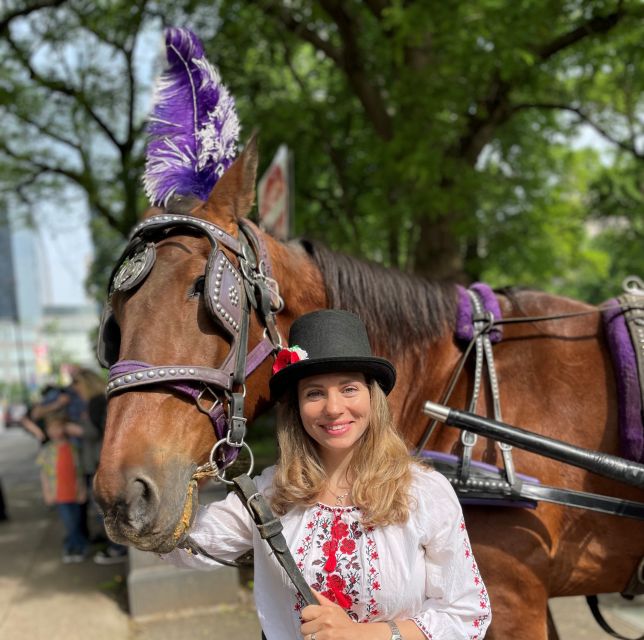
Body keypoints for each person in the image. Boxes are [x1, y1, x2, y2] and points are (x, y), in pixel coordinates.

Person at [162, 310, 491, 639]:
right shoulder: (271, 494)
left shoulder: (424, 492)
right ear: (298, 408)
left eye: (348, 389)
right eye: (315, 393)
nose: (333, 408)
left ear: (372, 397)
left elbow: (467, 614)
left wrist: (364, 635)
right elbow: (183, 547)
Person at [36, 410, 89, 563]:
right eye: (52, 428)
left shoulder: (74, 448)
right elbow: (44, 474)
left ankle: (75, 547)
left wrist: (83, 490)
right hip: (59, 494)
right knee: (69, 523)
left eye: (58, 427)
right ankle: (74, 547)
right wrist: (46, 492)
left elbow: (79, 471)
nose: (55, 432)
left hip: (75, 492)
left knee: (77, 521)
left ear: (64, 428)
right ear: (47, 430)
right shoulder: (47, 450)